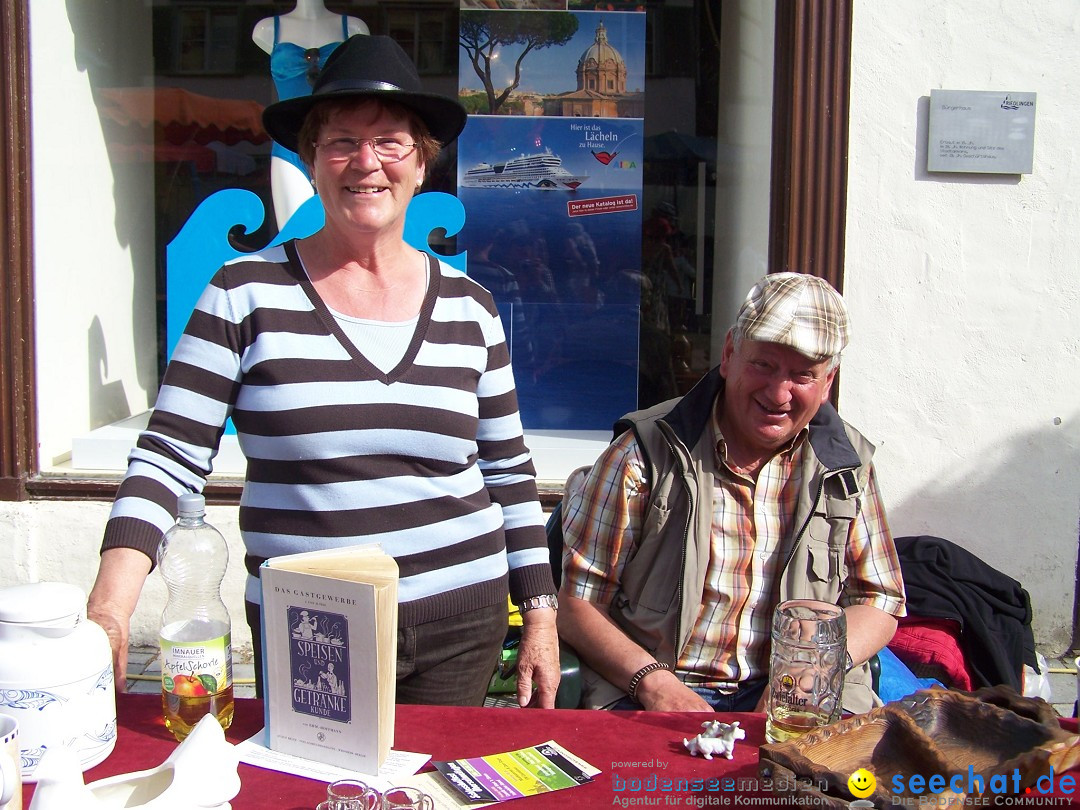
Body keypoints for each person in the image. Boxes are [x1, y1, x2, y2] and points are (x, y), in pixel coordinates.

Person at [87, 34, 561, 709]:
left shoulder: (471, 306)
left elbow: (510, 474)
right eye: (340, 141)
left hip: (462, 621)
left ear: (421, 165)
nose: (365, 163)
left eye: (391, 142)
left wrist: (539, 615)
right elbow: (168, 459)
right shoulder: (242, 292)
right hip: (309, 621)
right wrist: (110, 608)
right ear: (311, 161)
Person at [557, 272, 906, 713]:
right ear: (728, 355)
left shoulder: (847, 465)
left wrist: (812, 667)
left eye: (803, 375)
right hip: (650, 688)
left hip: (800, 694)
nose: (779, 393)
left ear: (827, 382)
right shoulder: (643, 453)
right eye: (763, 364)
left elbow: (880, 600)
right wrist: (652, 684)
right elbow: (576, 605)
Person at [252, 0, 369, 230]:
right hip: (289, 146)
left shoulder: (354, 28)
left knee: (346, 230)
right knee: (293, 233)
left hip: (338, 144)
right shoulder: (266, 29)